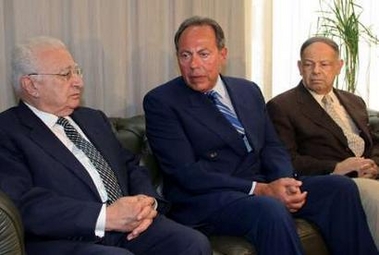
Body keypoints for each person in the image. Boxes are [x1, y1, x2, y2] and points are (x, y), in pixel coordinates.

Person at [143, 16, 378, 255]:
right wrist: (260, 189)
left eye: (203, 54)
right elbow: (187, 174)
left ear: (222, 55)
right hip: (208, 197)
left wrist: (286, 183)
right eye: (185, 55)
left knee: (340, 189)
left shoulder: (247, 90)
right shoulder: (162, 102)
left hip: (262, 185)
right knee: (270, 209)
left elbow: (271, 145)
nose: (193, 65)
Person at [0, 36, 212, 255]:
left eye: (77, 72)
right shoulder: (8, 131)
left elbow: (130, 166)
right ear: (31, 85)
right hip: (65, 238)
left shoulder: (93, 119)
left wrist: (146, 203)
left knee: (191, 243)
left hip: (127, 228)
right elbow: (23, 204)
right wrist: (105, 216)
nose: (78, 82)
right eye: (65, 75)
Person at [266, 36, 379, 248]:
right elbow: (287, 160)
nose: (316, 71)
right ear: (300, 67)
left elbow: (373, 142)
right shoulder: (282, 107)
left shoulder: (354, 101)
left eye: (324, 64)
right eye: (309, 64)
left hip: (369, 176)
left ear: (339, 66)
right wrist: (336, 167)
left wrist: (373, 164)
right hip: (336, 183)